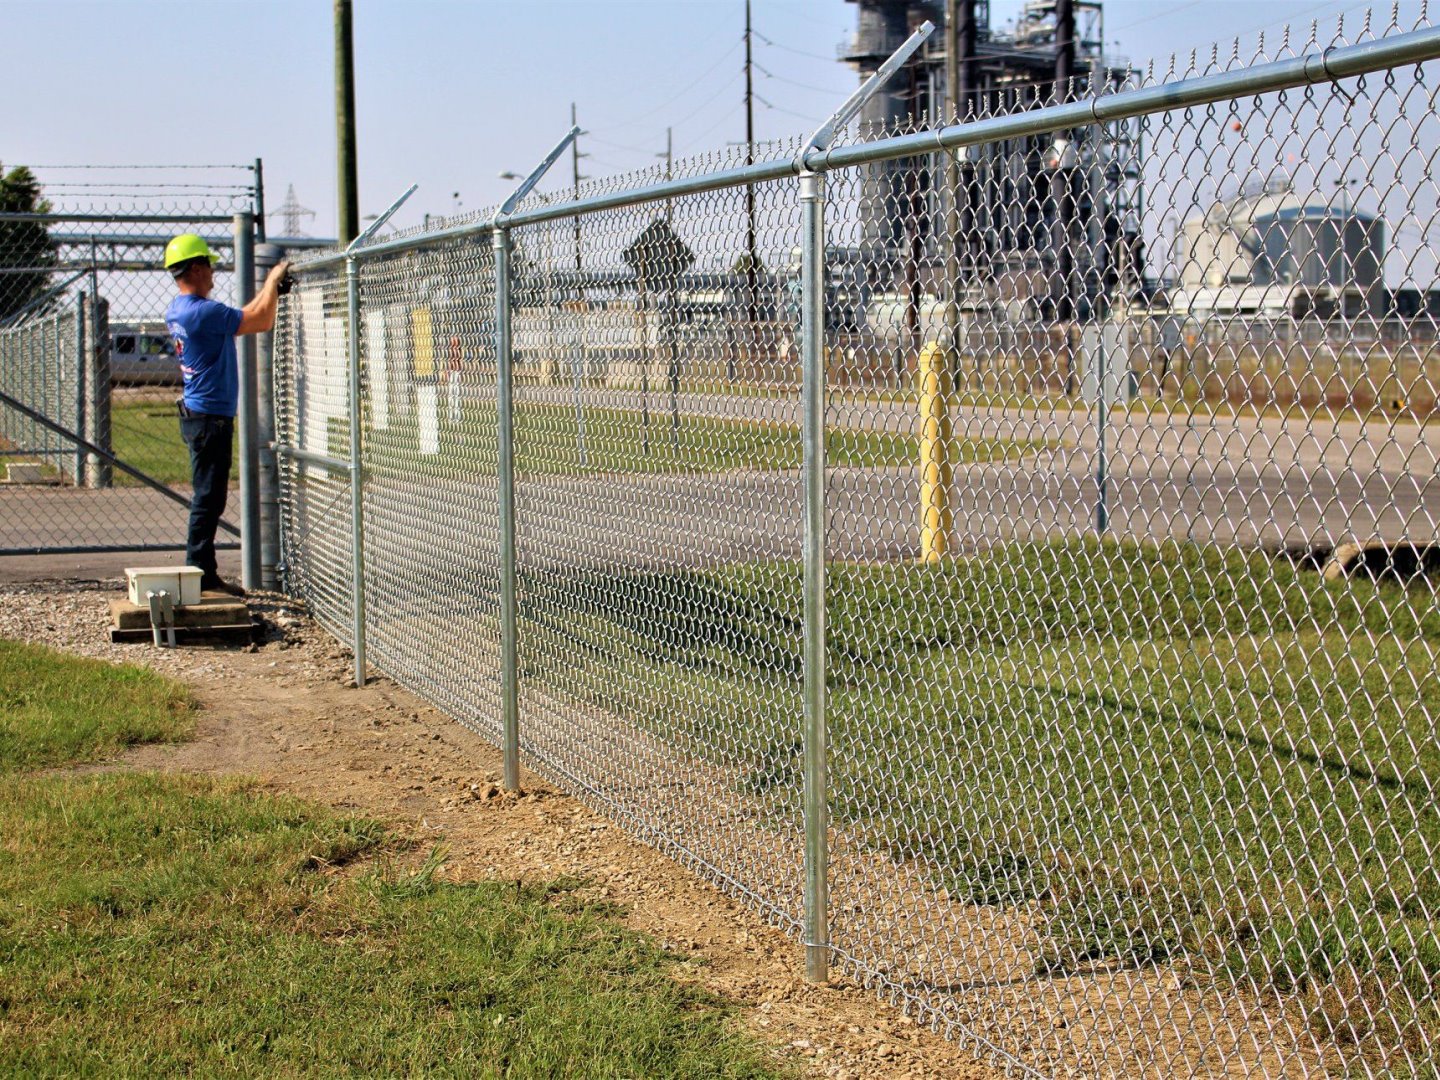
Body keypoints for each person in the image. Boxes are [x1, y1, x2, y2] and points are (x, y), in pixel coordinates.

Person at [163, 234, 290, 597]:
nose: (214, 273)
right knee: (208, 498)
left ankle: (204, 572)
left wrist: (271, 291)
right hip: (209, 419)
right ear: (198, 268)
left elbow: (247, 314)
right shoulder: (205, 312)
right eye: (210, 266)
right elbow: (261, 321)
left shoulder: (181, 309)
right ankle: (199, 572)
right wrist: (271, 282)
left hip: (200, 416)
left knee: (210, 497)